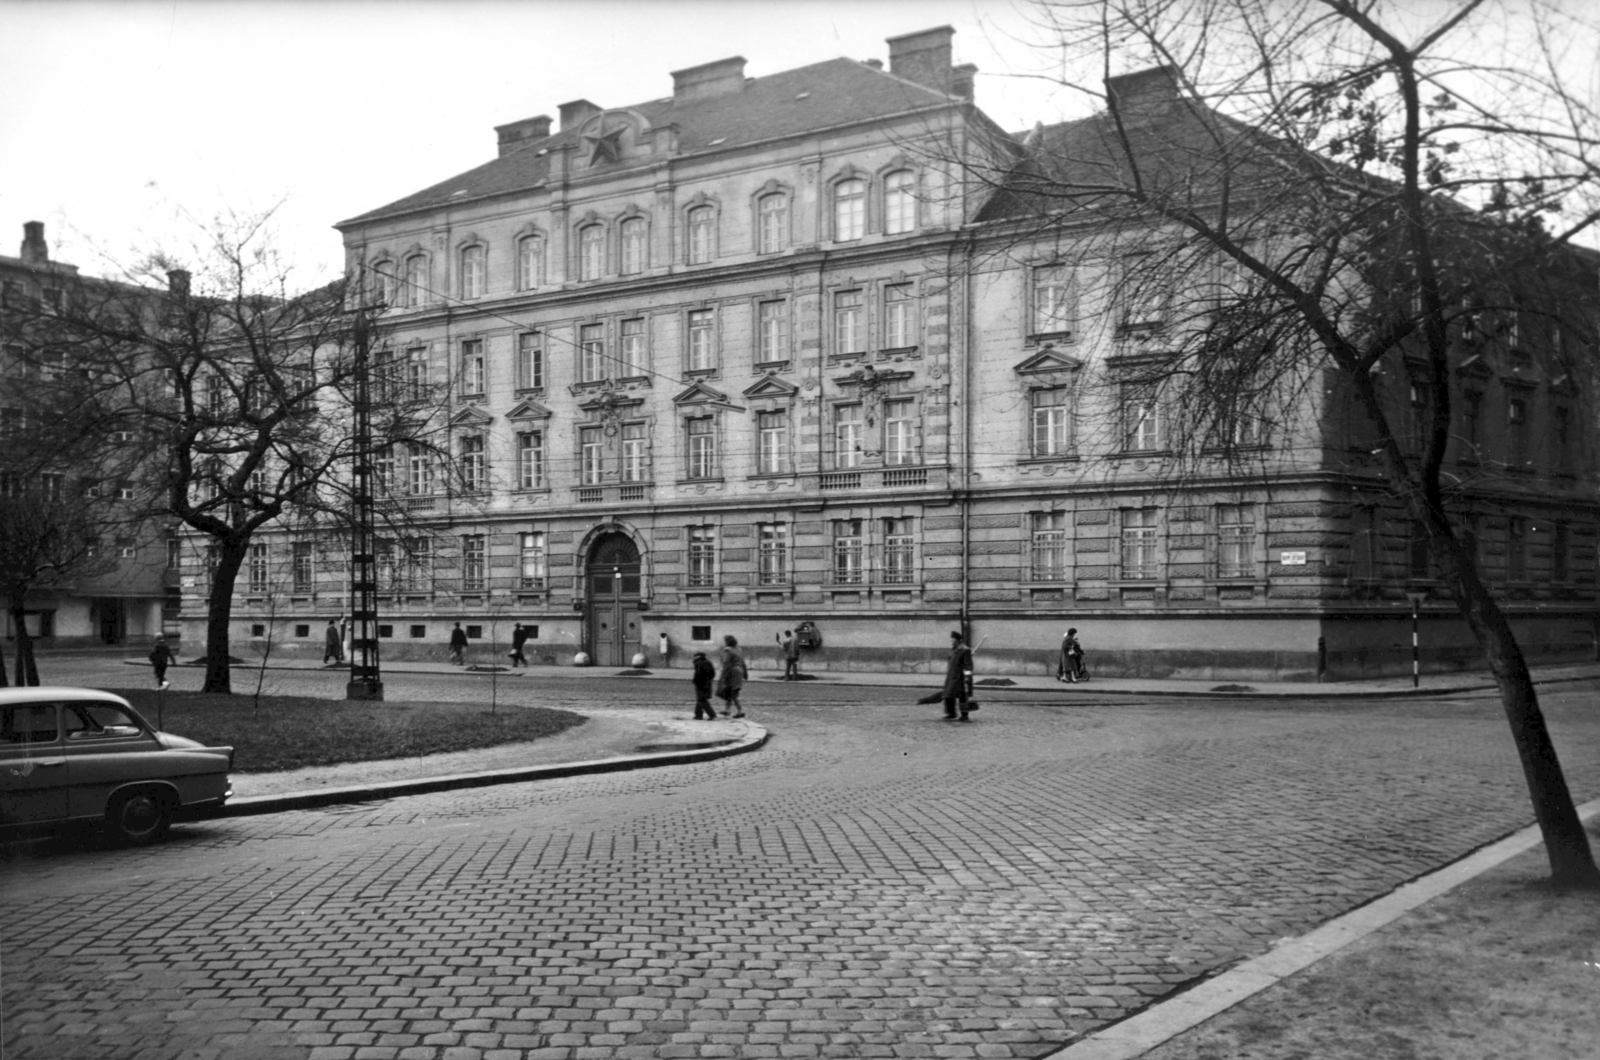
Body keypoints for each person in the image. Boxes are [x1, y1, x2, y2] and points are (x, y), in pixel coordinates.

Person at [941, 629, 973, 722]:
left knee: (962, 696)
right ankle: (951, 713)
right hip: (952, 676)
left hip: (960, 677)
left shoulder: (965, 650)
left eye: (953, 640)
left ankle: (964, 715)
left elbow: (968, 665)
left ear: (958, 640)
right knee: (948, 695)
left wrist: (967, 677)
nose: (951, 642)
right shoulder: (954, 650)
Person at [715, 634, 747, 719]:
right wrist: (745, 673)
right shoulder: (739, 649)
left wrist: (724, 677)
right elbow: (743, 662)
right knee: (730, 691)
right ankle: (727, 710)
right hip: (739, 671)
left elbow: (726, 664)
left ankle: (740, 711)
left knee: (732, 693)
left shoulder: (727, 651)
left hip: (732, 672)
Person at [691, 651, 717, 719]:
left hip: (700, 684)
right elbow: (713, 673)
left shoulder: (698, 663)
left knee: (702, 700)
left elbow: (698, 674)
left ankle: (711, 714)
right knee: (701, 699)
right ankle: (698, 714)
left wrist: (695, 681)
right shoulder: (708, 662)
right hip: (708, 683)